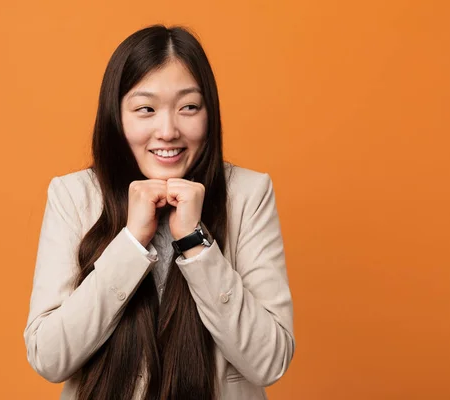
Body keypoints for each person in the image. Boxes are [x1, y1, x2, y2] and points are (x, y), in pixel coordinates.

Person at [23, 25, 295, 400]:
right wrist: (131, 243)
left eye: (188, 107)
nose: (167, 131)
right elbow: (49, 358)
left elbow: (270, 361)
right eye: (145, 109)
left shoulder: (247, 194)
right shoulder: (74, 196)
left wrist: (195, 243)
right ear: (117, 116)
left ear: (209, 113)